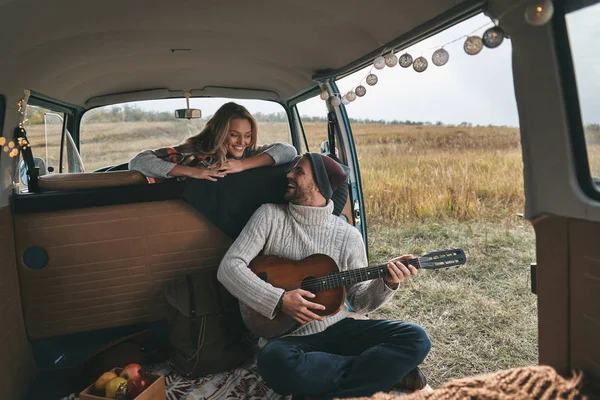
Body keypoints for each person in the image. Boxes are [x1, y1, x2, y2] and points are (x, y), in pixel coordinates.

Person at [217, 153, 431, 399]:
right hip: (288, 340)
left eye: (299, 171)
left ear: (319, 184)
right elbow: (229, 267)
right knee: (274, 361)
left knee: (416, 338)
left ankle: (333, 385)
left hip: (338, 330)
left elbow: (360, 302)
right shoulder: (269, 216)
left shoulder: (348, 236)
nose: (288, 174)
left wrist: (387, 282)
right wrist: (279, 299)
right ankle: (383, 372)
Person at [128, 102, 297, 183]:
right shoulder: (192, 153)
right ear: (220, 132)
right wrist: (193, 172)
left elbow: (288, 151)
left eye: (248, 135)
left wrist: (243, 165)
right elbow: (138, 162)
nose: (242, 142)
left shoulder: (252, 153)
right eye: (234, 135)